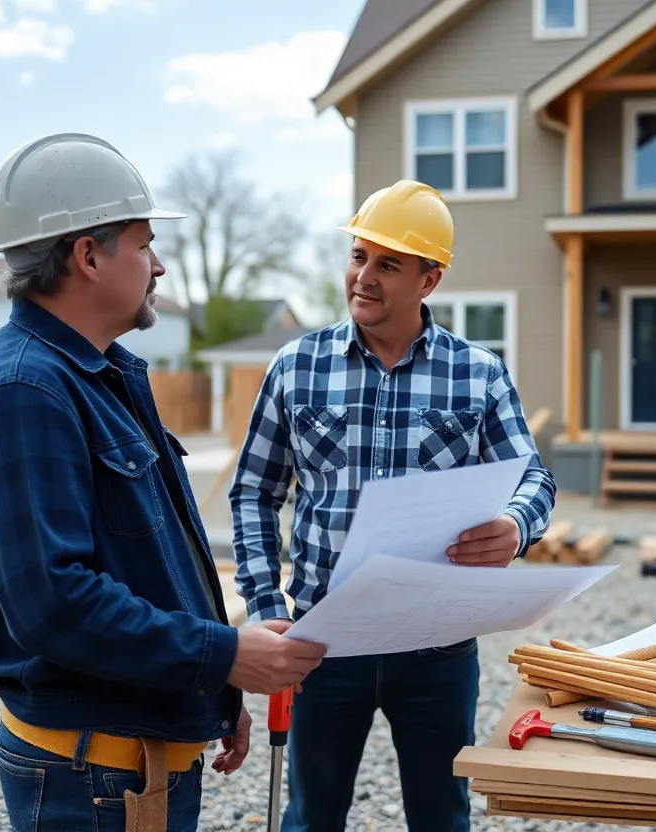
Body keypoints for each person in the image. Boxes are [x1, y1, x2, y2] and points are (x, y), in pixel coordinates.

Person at [0, 133, 326, 832]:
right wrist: (225, 655)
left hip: (131, 758)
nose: (159, 265)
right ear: (87, 254)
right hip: (95, 781)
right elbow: (55, 604)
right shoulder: (25, 396)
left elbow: (145, 562)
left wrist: (214, 688)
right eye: (143, 244)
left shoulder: (96, 377)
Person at [228, 179, 557, 831]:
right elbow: (253, 494)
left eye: (389, 264)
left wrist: (515, 527)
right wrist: (267, 612)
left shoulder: (478, 374)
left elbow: (536, 481)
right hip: (322, 644)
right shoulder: (298, 366)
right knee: (311, 817)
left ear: (428, 281)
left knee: (440, 818)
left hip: (436, 648)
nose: (364, 277)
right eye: (358, 256)